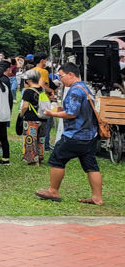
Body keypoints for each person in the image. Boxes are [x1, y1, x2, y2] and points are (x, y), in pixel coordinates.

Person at [35, 63, 103, 205]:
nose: (60, 80)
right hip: (90, 135)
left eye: (61, 76)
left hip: (75, 134)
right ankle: (97, 197)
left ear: (71, 74)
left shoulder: (75, 91)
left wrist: (52, 113)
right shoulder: (85, 88)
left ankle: (53, 191)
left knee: (56, 160)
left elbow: (71, 113)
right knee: (91, 166)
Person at [18, 69, 46, 165]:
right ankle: (40, 157)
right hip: (42, 117)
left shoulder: (28, 91)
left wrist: (21, 114)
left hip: (31, 119)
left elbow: (25, 106)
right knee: (40, 139)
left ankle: (32, 160)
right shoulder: (42, 89)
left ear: (29, 80)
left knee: (30, 140)